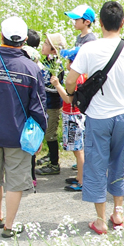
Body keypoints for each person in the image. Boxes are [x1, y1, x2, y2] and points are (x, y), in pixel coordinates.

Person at [66, 2, 124, 235]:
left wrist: (71, 96)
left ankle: (100, 219)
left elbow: (71, 80)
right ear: (122, 23)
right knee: (119, 161)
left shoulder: (89, 49)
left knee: (96, 164)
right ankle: (118, 211)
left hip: (98, 115)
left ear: (99, 23)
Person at [0, 16, 46, 239]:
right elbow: (39, 107)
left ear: (1, 36)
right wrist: (39, 134)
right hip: (19, 135)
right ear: (24, 40)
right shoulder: (31, 68)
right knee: (15, 180)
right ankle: (10, 225)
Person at [52, 47, 85, 192]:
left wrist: (57, 85)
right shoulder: (82, 75)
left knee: (79, 151)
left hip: (73, 115)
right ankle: (79, 176)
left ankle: (82, 180)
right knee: (77, 149)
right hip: (73, 115)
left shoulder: (76, 78)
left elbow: (68, 99)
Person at [36, 32, 67, 176]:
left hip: (52, 105)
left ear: (54, 50)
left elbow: (55, 88)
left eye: (46, 44)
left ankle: (54, 164)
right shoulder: (46, 62)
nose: (43, 46)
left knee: (50, 134)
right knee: (46, 132)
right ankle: (50, 155)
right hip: (45, 103)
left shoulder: (57, 66)